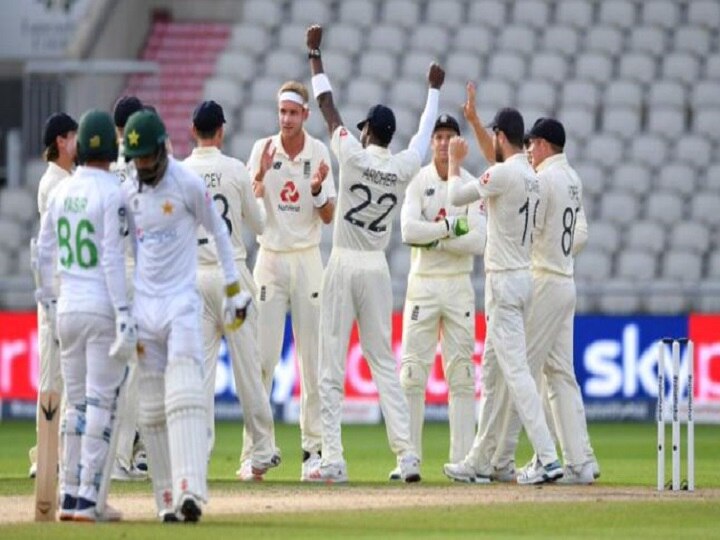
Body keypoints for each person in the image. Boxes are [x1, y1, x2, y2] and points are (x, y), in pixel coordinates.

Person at [305, 24, 444, 483]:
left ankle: (332, 459)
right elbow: (424, 136)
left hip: (345, 261)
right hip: (378, 269)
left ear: (366, 132)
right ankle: (407, 457)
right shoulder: (403, 167)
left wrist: (314, 54)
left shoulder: (353, 154)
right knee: (384, 363)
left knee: (330, 363)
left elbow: (326, 105)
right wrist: (433, 91)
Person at [122, 109, 251, 522]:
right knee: (152, 409)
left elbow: (221, 234)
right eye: (136, 158)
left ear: (162, 148)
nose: (142, 165)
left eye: (147, 157)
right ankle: (165, 500)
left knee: (184, 392)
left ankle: (190, 490)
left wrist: (233, 289)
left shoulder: (188, 183)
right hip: (146, 305)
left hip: (182, 300)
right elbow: (122, 250)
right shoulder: (129, 191)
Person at [443, 83, 563, 485]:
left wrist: (454, 161)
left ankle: (547, 457)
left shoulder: (504, 174)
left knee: (516, 375)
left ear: (500, 137)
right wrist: (476, 122)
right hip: (521, 280)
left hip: (504, 286)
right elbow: (496, 167)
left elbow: (457, 195)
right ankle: (480, 460)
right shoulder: (530, 174)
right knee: (493, 377)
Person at [36, 109, 137, 521]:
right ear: (112, 148)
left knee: (74, 406)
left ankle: (68, 494)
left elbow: (42, 250)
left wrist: (48, 300)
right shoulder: (111, 191)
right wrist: (125, 312)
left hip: (67, 308)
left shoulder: (63, 190)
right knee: (100, 405)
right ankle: (89, 498)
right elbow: (113, 258)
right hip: (99, 307)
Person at [490, 117, 599, 484]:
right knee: (560, 374)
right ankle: (581, 461)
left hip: (545, 281)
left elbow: (528, 228)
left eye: (532, 144)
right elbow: (578, 232)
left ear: (545, 146)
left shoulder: (544, 179)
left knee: (525, 370)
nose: (528, 151)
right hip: (565, 280)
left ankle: (528, 459)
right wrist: (559, 248)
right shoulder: (572, 179)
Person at [183, 100, 278, 481]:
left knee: (201, 374)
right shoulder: (236, 170)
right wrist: (255, 189)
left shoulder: (180, 173)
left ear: (194, 130)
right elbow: (260, 224)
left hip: (194, 278)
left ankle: (197, 455)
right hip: (232, 275)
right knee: (248, 370)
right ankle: (263, 450)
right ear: (220, 132)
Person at [246, 80, 336, 480]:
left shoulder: (318, 153)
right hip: (269, 257)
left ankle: (313, 452)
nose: (285, 120)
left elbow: (330, 215)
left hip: (306, 258)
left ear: (305, 115)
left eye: (293, 113)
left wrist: (316, 190)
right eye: (281, 112)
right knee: (260, 360)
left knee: (311, 360)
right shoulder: (262, 150)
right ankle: (256, 454)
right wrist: (260, 178)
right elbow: (250, 212)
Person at [393, 114, 486, 480]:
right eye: (439, 136)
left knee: (462, 373)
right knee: (412, 372)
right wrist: (449, 229)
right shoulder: (418, 181)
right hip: (423, 284)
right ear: (432, 142)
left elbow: (478, 241)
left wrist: (432, 236)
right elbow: (406, 232)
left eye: (451, 136)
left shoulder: (469, 185)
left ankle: (462, 460)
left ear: (460, 143)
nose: (445, 143)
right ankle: (408, 459)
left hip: (458, 284)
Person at [28, 112, 78, 479]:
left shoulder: (66, 179)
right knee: (52, 377)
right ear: (61, 141)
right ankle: (43, 457)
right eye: (74, 137)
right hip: (56, 293)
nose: (77, 143)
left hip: (67, 291)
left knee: (65, 377)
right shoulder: (55, 183)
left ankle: (52, 453)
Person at [109, 95, 149, 482]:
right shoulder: (144, 164)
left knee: (101, 368)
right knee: (134, 369)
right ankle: (121, 458)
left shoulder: (101, 163)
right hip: (135, 273)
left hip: (104, 275)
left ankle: (83, 462)